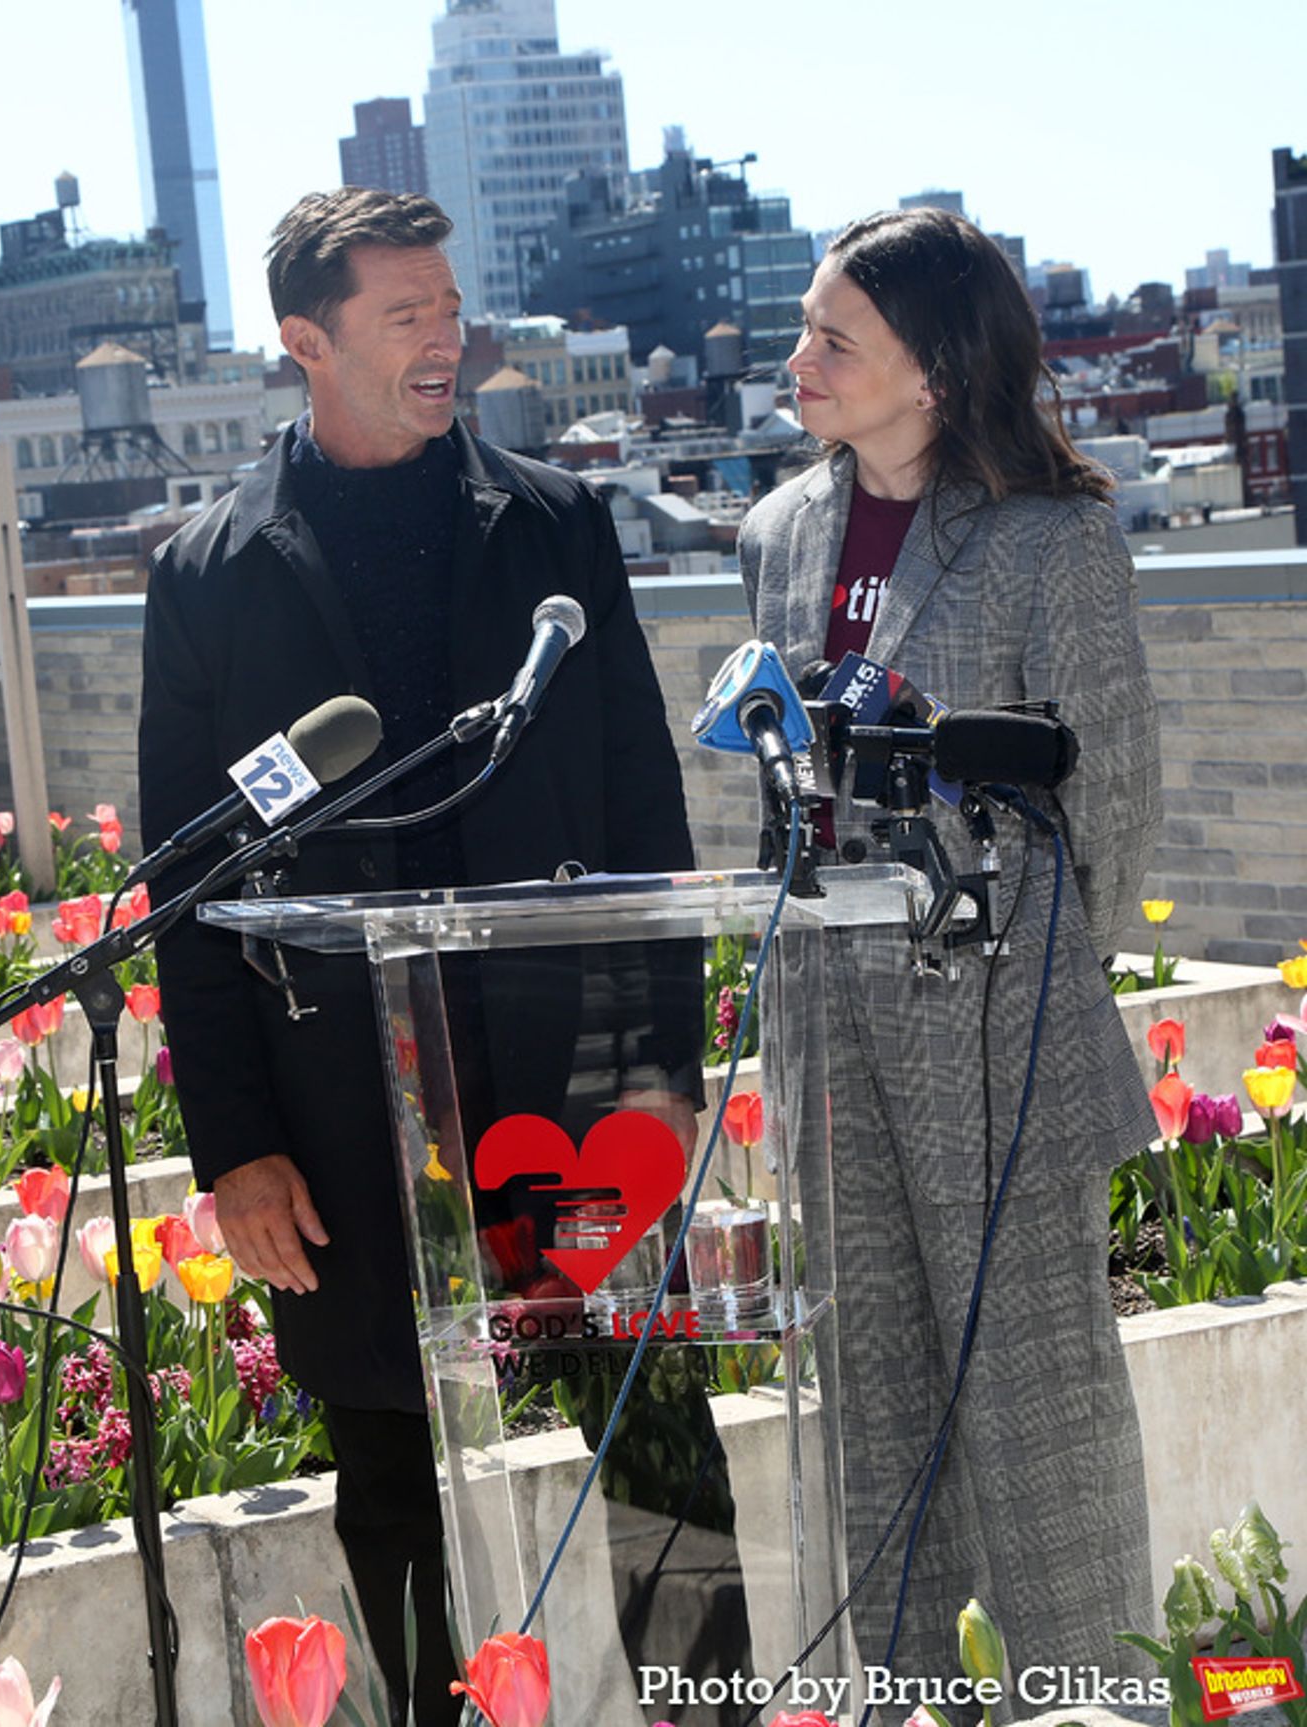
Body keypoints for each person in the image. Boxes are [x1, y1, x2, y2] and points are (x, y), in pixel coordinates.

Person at [137, 189, 703, 1726]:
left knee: (655, 1445)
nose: (448, 338)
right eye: (407, 314)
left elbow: (643, 806)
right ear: (305, 342)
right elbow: (186, 887)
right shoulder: (204, 572)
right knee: (387, 1474)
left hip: (570, 1083)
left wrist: (666, 1074)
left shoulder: (563, 524)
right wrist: (237, 1148)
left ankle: (714, 1710)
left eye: (452, 307)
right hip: (344, 1098)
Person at [738, 208, 1161, 1703]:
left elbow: (1112, 803)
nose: (798, 362)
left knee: (1039, 1435)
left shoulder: (1054, 541)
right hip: (834, 1047)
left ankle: (1093, 1702)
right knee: (880, 1431)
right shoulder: (775, 534)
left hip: (1000, 1044)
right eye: (803, 331)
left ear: (931, 369)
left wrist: (1030, 980)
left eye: (832, 340)